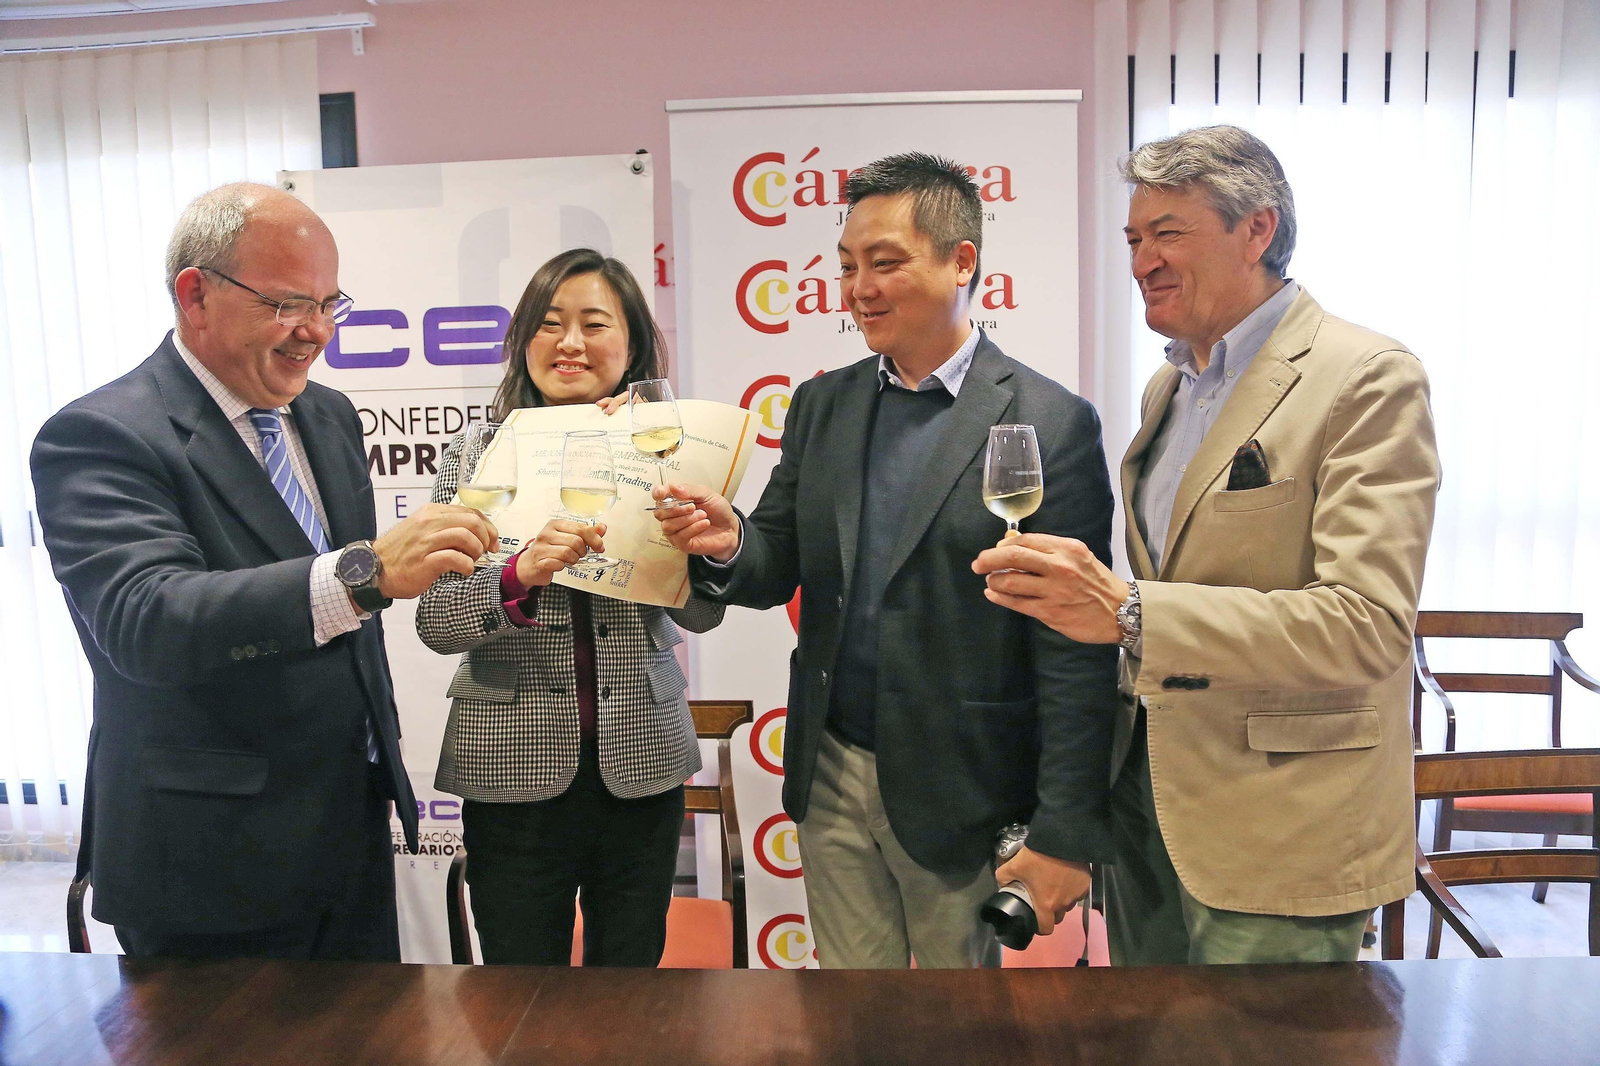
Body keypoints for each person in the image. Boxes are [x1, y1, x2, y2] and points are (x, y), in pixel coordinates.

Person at [975, 126, 1440, 965]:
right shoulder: (1170, 386)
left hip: (1281, 831)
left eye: (1168, 234)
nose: (1143, 261)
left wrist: (1131, 612)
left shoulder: (1367, 375)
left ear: (1257, 229)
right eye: (1133, 239)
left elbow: (1366, 625)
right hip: (1148, 816)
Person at [653, 154, 1118, 968]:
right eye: (847, 267)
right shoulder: (823, 404)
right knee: (850, 1017)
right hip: (831, 769)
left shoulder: (1049, 420)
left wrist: (1065, 826)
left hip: (963, 786)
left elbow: (1076, 647)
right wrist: (731, 541)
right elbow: (776, 558)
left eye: (885, 263)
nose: (859, 288)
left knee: (953, 1024)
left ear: (961, 261)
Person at [30, 183, 498, 961]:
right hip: (207, 861)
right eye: (287, 304)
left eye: (329, 304)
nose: (317, 332)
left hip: (348, 832)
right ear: (195, 295)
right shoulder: (99, 435)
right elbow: (148, 620)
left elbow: (341, 627)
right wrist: (365, 574)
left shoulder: (329, 415)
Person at [415, 249, 724, 967]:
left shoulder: (666, 449)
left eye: (595, 323)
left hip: (642, 764)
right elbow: (436, 620)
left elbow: (703, 615)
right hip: (509, 769)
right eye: (550, 324)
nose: (571, 343)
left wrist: (696, 540)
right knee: (521, 996)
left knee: (629, 990)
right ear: (524, 339)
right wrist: (517, 576)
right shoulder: (476, 453)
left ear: (632, 342)